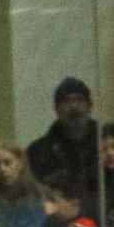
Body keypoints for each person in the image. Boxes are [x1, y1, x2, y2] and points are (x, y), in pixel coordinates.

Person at [26, 75, 99, 205]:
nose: (74, 107)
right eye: (66, 101)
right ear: (56, 108)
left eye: (79, 100)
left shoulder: (106, 143)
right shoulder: (38, 151)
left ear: (90, 105)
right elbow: (30, 192)